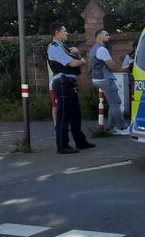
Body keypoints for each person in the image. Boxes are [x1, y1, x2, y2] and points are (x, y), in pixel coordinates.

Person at [47, 22, 95, 154]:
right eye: (64, 31)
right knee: (64, 115)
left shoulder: (64, 47)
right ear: (57, 32)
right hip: (62, 83)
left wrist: (78, 54)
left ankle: (80, 142)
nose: (67, 33)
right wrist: (82, 61)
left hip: (69, 83)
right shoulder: (54, 47)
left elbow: (76, 61)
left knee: (75, 115)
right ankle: (62, 145)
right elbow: (73, 63)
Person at [89, 29, 129, 135]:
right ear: (99, 36)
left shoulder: (94, 48)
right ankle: (122, 127)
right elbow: (111, 65)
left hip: (98, 79)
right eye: (106, 35)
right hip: (105, 80)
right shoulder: (102, 49)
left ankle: (111, 128)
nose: (109, 37)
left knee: (113, 103)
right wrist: (123, 68)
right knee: (116, 103)